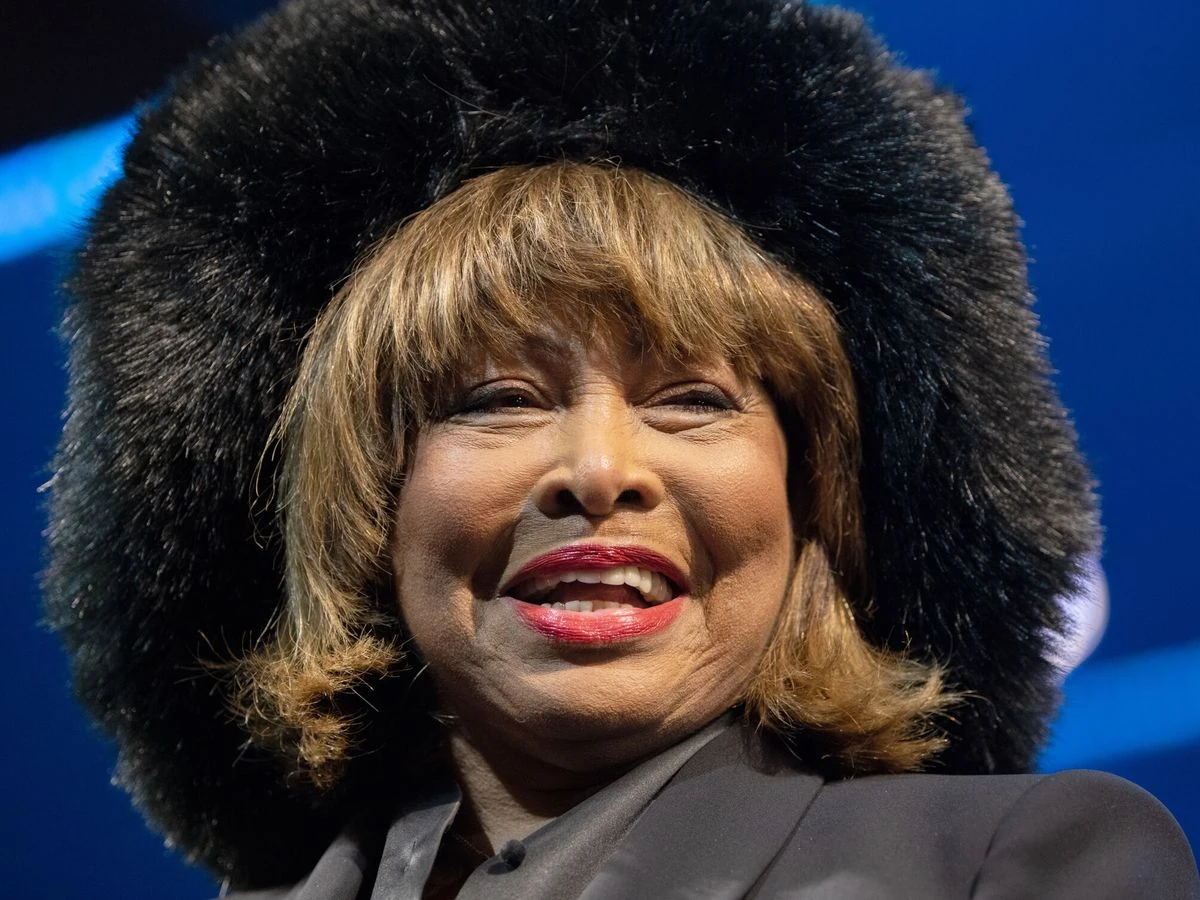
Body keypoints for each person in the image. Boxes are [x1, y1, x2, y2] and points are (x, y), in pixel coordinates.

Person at [43, 0, 1198, 897]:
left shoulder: (1012, 869)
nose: (600, 470)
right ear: (364, 508)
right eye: (496, 399)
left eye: (693, 399)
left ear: (812, 504)